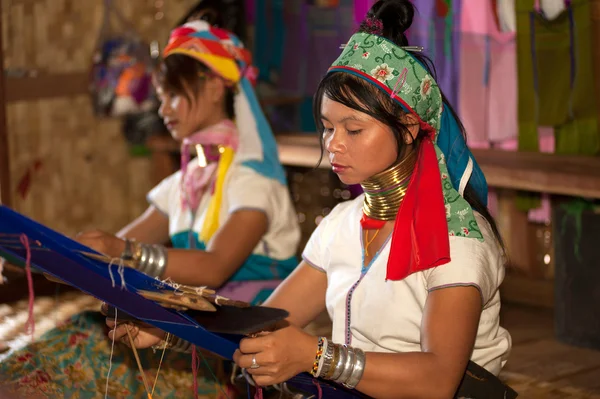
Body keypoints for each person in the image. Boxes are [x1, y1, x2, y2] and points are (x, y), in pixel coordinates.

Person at [109, 1, 515, 397]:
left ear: (409, 127)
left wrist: (315, 356)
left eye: (352, 130)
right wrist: (169, 329)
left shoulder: (457, 237)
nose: (333, 144)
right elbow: (263, 323)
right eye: (326, 127)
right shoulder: (344, 223)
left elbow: (437, 380)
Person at [0, 20, 300, 399]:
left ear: (212, 87)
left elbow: (215, 266)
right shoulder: (183, 183)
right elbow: (110, 245)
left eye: (172, 94)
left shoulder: (253, 180)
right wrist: (32, 254)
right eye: (161, 96)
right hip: (195, 326)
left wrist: (125, 252)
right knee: (81, 332)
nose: (163, 109)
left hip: (240, 345)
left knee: (85, 348)